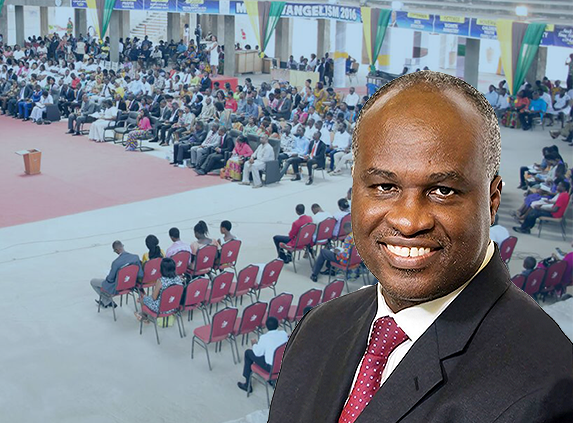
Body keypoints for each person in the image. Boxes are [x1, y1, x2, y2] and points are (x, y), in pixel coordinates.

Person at [267, 71, 573, 422]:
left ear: (491, 200)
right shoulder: (319, 327)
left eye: (443, 190)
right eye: (384, 186)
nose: (409, 221)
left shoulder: (545, 395)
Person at [237, 317, 288, 393]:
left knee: (248, 353)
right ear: (278, 324)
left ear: (266, 327)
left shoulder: (264, 338)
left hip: (271, 368)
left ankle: (247, 385)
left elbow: (258, 353)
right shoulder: (284, 334)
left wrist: (254, 344)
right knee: (270, 353)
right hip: (284, 364)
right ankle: (272, 380)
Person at [90, 241, 142, 308]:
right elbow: (140, 274)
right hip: (131, 285)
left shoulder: (116, 263)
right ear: (122, 246)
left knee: (93, 282)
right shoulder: (135, 257)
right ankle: (106, 301)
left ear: (116, 250)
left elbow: (110, 279)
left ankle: (107, 301)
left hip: (117, 287)